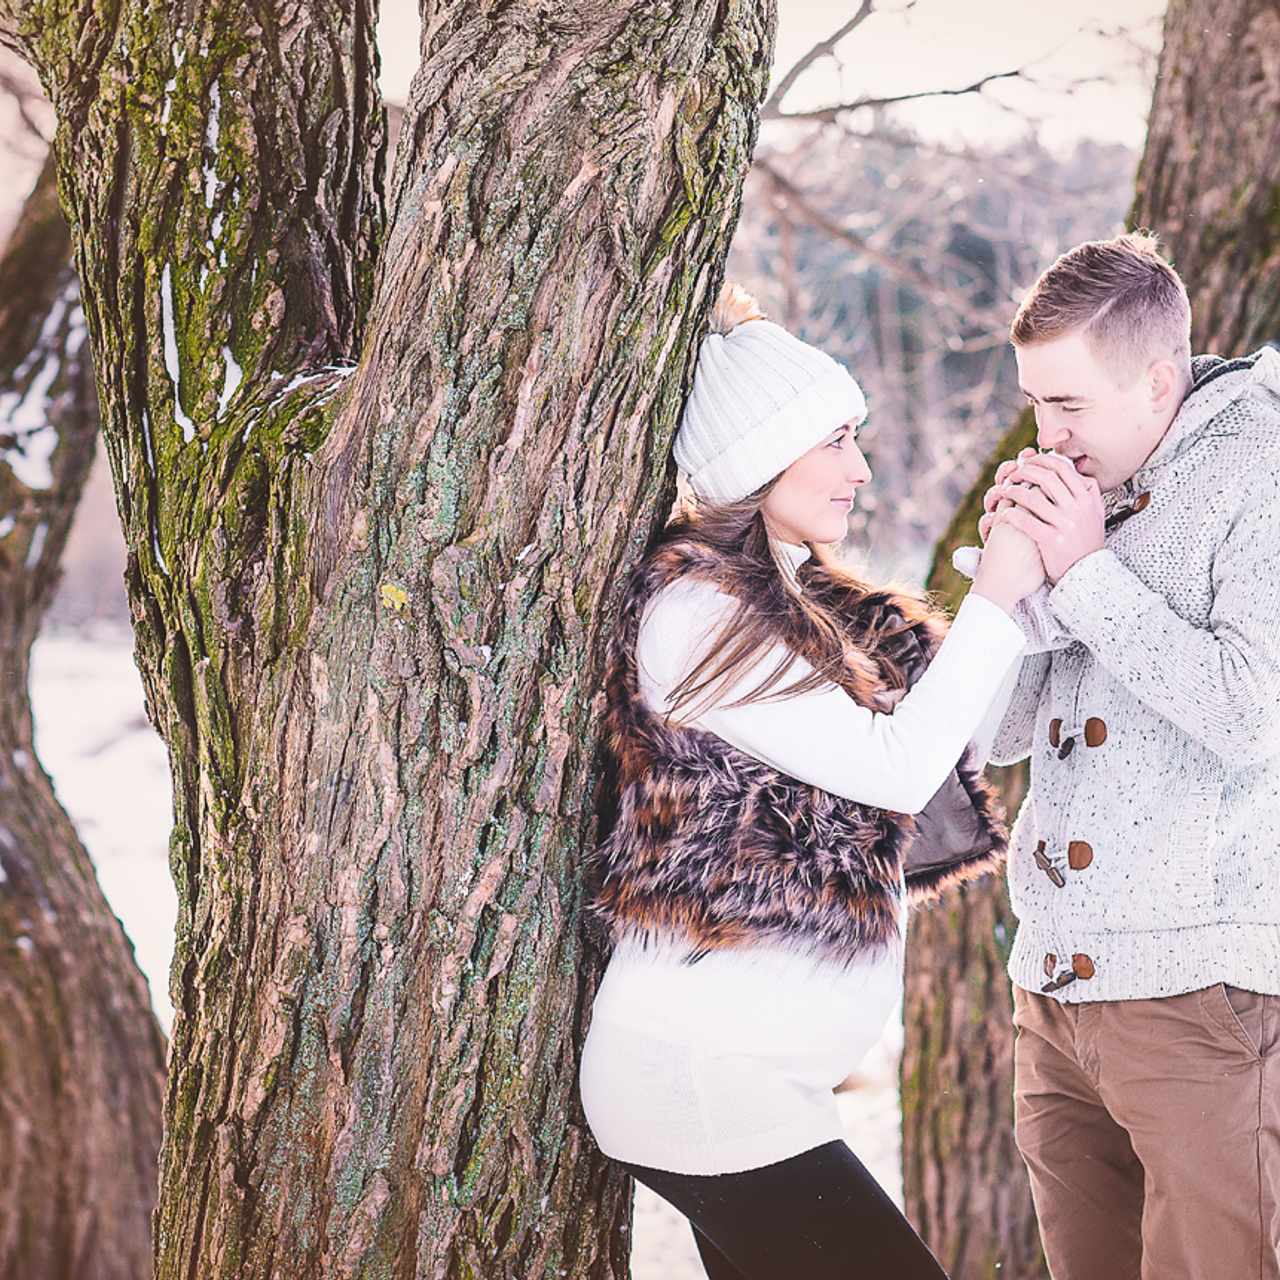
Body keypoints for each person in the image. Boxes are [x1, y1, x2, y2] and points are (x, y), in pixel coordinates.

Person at [579, 283, 1043, 1280]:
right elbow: (895, 765)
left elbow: (940, 727)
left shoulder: (790, 598)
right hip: (706, 1082)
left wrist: (1031, 594)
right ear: (757, 454)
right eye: (833, 439)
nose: (859, 468)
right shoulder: (695, 611)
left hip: (746, 1082)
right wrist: (995, 596)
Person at [976, 231, 1280, 1280]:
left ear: (1157, 379)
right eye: (1031, 402)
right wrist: (1005, 590)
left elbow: (1248, 713)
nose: (1043, 434)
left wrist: (1087, 571)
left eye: (1066, 405)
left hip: (1201, 992)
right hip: (1053, 989)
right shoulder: (1082, 482)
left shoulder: (1260, 474)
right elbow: (1000, 735)